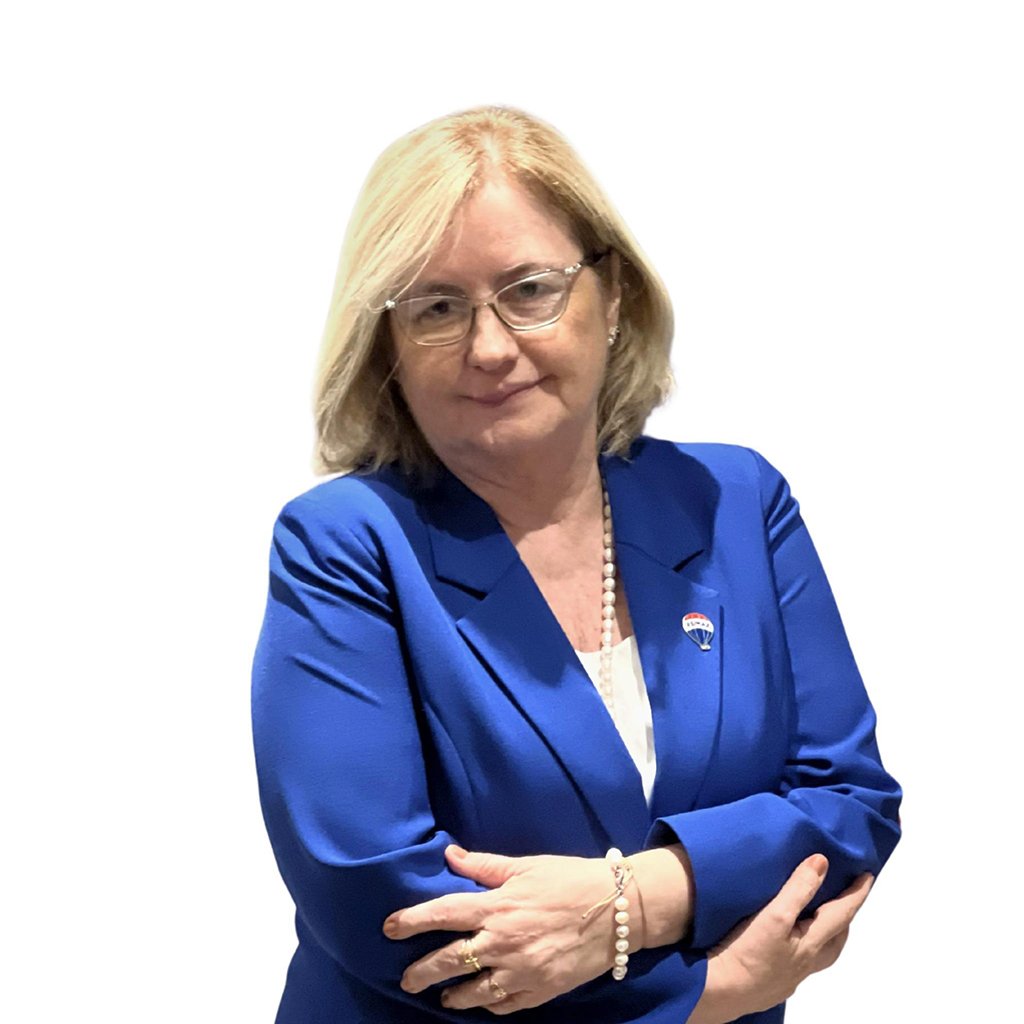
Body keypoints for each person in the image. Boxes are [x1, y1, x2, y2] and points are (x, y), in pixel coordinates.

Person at [250, 104, 902, 1024]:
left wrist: (637, 899)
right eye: (436, 309)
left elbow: (849, 806)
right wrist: (707, 994)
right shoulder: (347, 543)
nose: (488, 346)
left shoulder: (736, 501)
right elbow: (381, 901)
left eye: (530, 291)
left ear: (615, 295)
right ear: (387, 345)